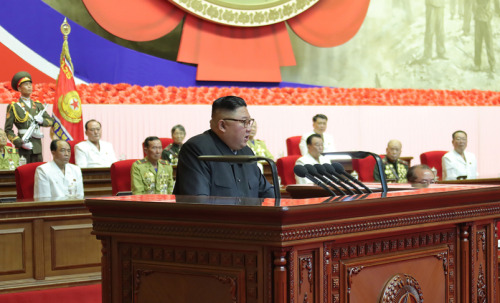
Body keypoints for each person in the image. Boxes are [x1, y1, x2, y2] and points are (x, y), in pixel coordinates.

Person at [173, 96, 274, 198]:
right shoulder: (196, 150)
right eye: (244, 122)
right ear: (222, 126)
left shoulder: (247, 153)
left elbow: (268, 193)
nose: (249, 129)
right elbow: (198, 203)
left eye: (249, 122)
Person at [4, 71, 54, 163]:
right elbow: (8, 130)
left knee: (38, 171)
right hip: (23, 145)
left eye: (30, 84)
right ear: (19, 88)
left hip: (37, 146)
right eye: (26, 84)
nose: (29, 86)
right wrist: (19, 143)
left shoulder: (38, 105)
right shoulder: (14, 107)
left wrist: (42, 121)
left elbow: (51, 121)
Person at [473, 0, 495, 72]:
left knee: (489, 43)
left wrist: (489, 14)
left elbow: (492, 4)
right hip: (478, 17)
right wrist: (475, 12)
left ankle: (492, 64)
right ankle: (477, 63)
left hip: (486, 18)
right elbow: (474, 3)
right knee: (477, 42)